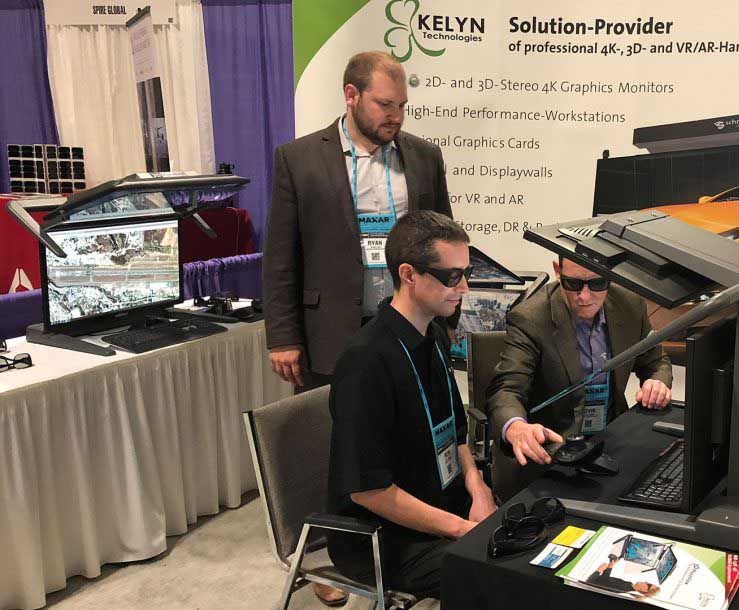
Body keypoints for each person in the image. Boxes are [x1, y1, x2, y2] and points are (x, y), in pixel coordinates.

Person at [325, 211, 496, 602]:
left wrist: (478, 488)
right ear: (408, 274)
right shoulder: (365, 362)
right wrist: (460, 529)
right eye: (452, 276)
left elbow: (456, 433)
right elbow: (369, 492)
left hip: (442, 505)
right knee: (503, 578)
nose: (464, 287)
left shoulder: (433, 334)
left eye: (466, 273)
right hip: (381, 537)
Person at [263, 50, 452, 396]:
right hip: (330, 333)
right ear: (351, 95)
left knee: (408, 425)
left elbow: (445, 245)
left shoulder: (425, 157)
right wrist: (283, 337)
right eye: (385, 105)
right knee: (333, 427)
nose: (397, 117)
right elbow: (280, 257)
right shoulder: (298, 159)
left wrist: (448, 320)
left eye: (402, 105)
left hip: (412, 326)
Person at [486, 256, 673, 500]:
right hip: (552, 454)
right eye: (573, 284)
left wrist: (657, 381)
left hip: (609, 441)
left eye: (597, 283)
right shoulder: (530, 318)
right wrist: (515, 426)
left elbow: (655, 361)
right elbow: (508, 387)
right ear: (557, 271)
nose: (584, 296)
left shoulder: (630, 305)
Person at [585, 555, 661, 597]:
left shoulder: (623, 589)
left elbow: (589, 584)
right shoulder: (629, 584)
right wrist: (610, 567)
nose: (646, 582)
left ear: (644, 590)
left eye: (649, 584)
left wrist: (598, 570)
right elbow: (605, 580)